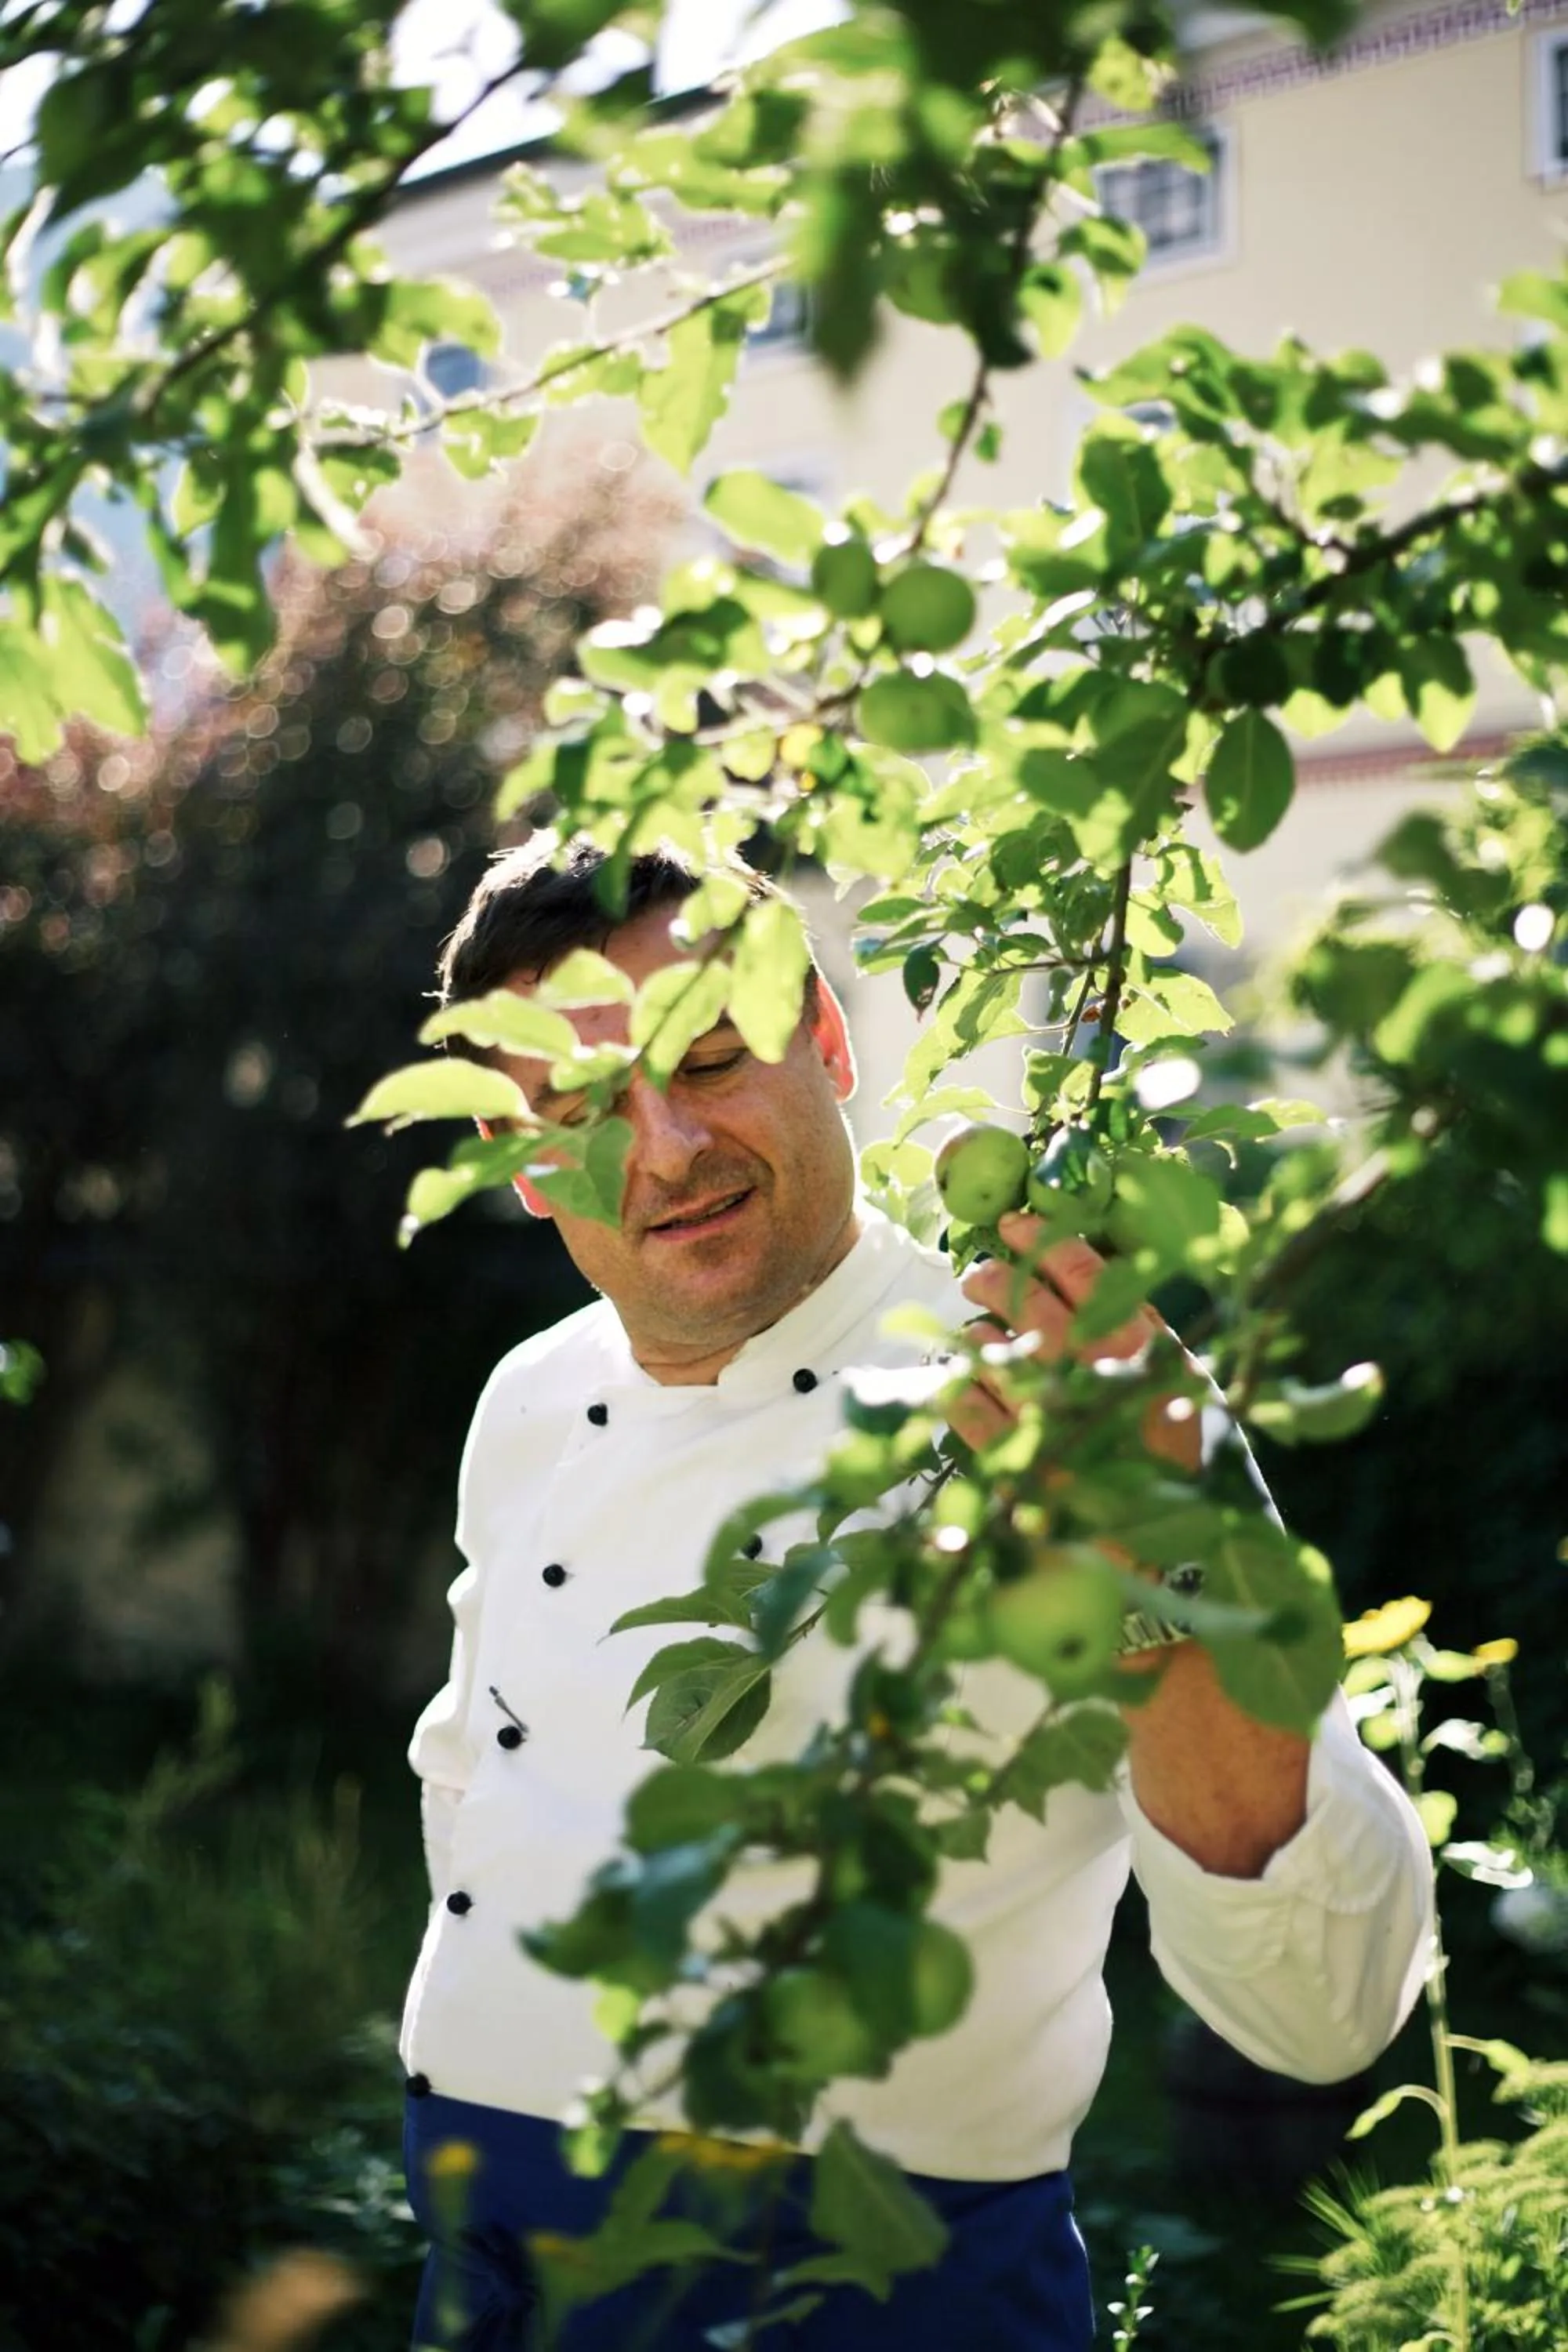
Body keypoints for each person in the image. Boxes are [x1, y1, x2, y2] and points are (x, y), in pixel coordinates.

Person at [401, 835, 1434, 2352]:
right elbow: (474, 1780)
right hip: (485, 2257)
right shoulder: (529, 1399)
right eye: (583, 1110)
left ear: (826, 1033)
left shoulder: (1056, 1398)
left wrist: (1163, 1561)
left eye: (711, 1059)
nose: (667, 1150)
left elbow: (1328, 2009)